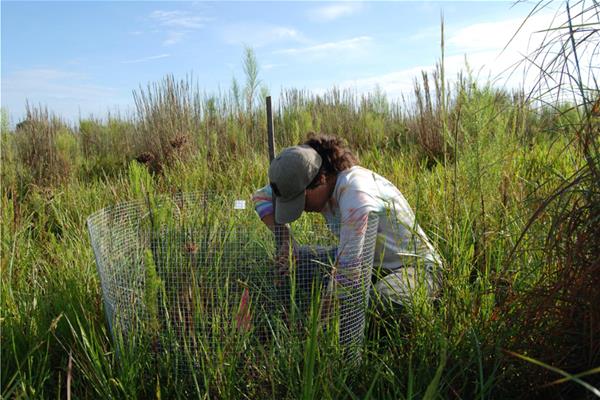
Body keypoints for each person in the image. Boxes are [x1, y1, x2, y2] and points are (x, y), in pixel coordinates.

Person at [252, 133, 442, 309]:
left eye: (301, 201)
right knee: (297, 263)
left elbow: (347, 272)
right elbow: (260, 197)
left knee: (380, 303)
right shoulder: (310, 181)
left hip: (414, 269)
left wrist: (317, 327)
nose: (301, 208)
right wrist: (288, 242)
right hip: (368, 264)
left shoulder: (354, 190)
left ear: (321, 179)